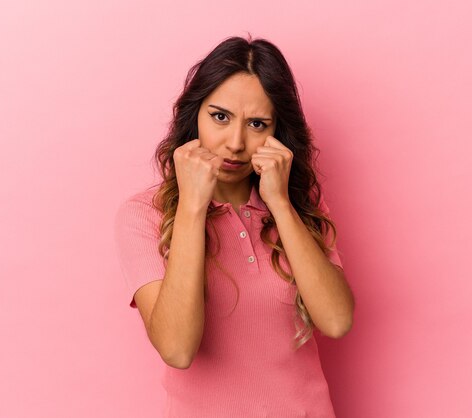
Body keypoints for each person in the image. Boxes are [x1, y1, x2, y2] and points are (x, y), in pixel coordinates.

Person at [113, 34, 355, 417]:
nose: (236, 142)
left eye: (257, 123)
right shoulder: (145, 214)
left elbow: (337, 320)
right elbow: (177, 349)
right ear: (194, 114)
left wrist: (280, 203)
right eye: (220, 117)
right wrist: (192, 208)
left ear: (277, 132)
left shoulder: (299, 206)